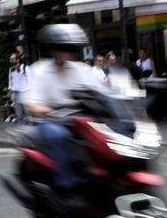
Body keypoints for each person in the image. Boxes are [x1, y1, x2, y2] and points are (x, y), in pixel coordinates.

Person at [24, 23, 111, 195]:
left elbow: (103, 91)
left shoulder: (82, 69)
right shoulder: (39, 71)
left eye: (69, 48)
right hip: (50, 121)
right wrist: (49, 111)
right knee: (59, 135)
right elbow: (31, 104)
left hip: (79, 119)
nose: (66, 52)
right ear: (53, 49)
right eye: (62, 48)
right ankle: (66, 182)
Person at [8, 52, 28, 121]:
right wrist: (10, 94)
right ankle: (21, 127)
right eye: (10, 59)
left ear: (18, 60)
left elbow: (30, 80)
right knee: (18, 114)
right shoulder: (11, 69)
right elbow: (10, 82)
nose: (11, 61)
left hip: (24, 92)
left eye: (12, 59)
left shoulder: (25, 68)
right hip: (15, 93)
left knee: (27, 112)